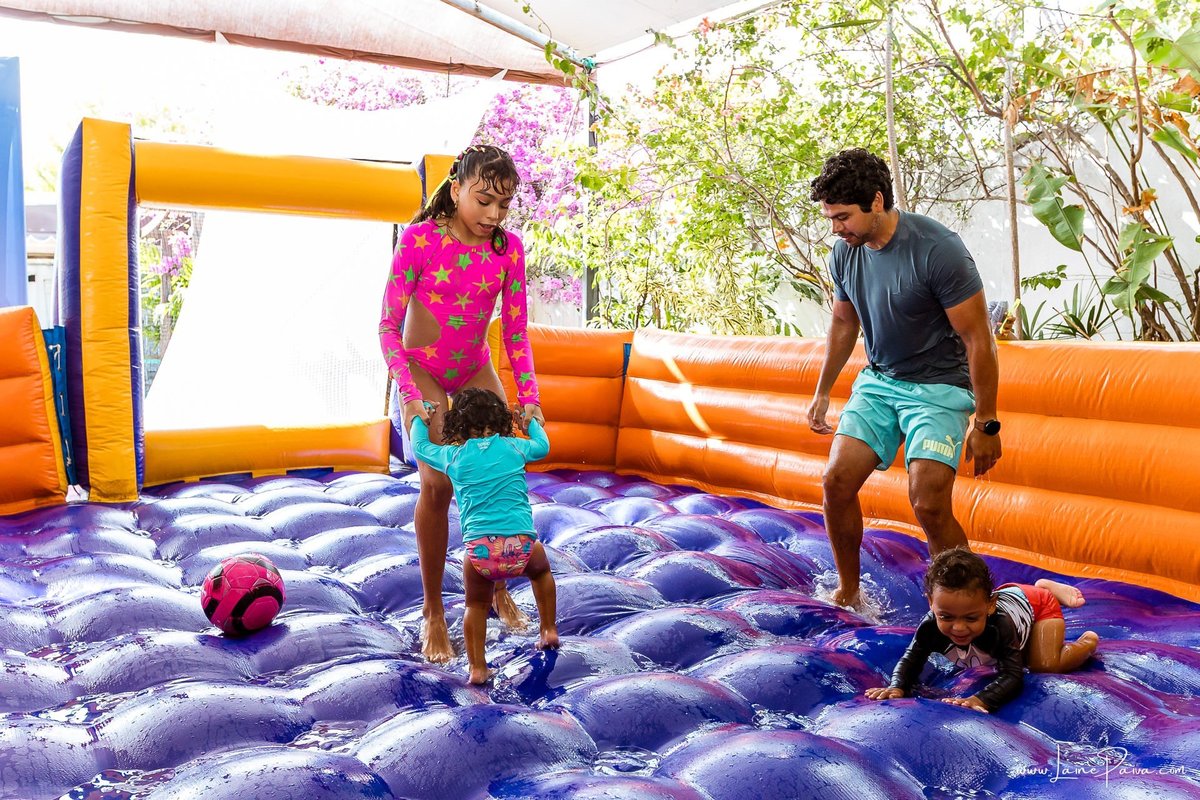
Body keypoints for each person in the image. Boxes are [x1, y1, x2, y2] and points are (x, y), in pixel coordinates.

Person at [806, 148, 1003, 609]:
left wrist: (987, 423)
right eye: (831, 218)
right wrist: (822, 392)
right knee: (836, 482)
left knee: (929, 501)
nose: (836, 228)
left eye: (843, 217)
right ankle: (850, 592)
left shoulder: (938, 250)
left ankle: (970, 609)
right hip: (879, 381)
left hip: (939, 387)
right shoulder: (845, 254)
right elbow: (842, 324)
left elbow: (979, 339)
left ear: (877, 202)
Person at [379, 144, 545, 663]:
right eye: (483, 201)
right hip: (421, 371)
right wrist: (409, 394)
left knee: (499, 468)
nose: (493, 215)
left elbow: (515, 333)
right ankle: (432, 610)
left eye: (504, 205)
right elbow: (387, 326)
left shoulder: (507, 249)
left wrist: (530, 399)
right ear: (455, 190)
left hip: (473, 366)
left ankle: (496, 588)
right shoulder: (420, 240)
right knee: (438, 480)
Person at [409, 388, 558, 684]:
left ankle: (477, 667)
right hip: (522, 547)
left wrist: (421, 415)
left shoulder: (454, 456)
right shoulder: (514, 447)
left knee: (475, 605)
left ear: (458, 429)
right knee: (541, 572)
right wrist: (531, 424)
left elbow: (421, 448)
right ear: (501, 423)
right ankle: (548, 629)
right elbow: (543, 447)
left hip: (482, 553)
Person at [865, 547, 1099, 712]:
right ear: (930, 604)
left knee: (1043, 664)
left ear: (989, 606)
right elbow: (911, 659)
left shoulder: (999, 626)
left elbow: (1012, 676)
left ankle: (1085, 639)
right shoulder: (929, 626)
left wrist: (981, 699)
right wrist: (897, 686)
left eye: (970, 618)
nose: (958, 627)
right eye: (946, 616)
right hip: (1009, 597)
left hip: (1038, 605)